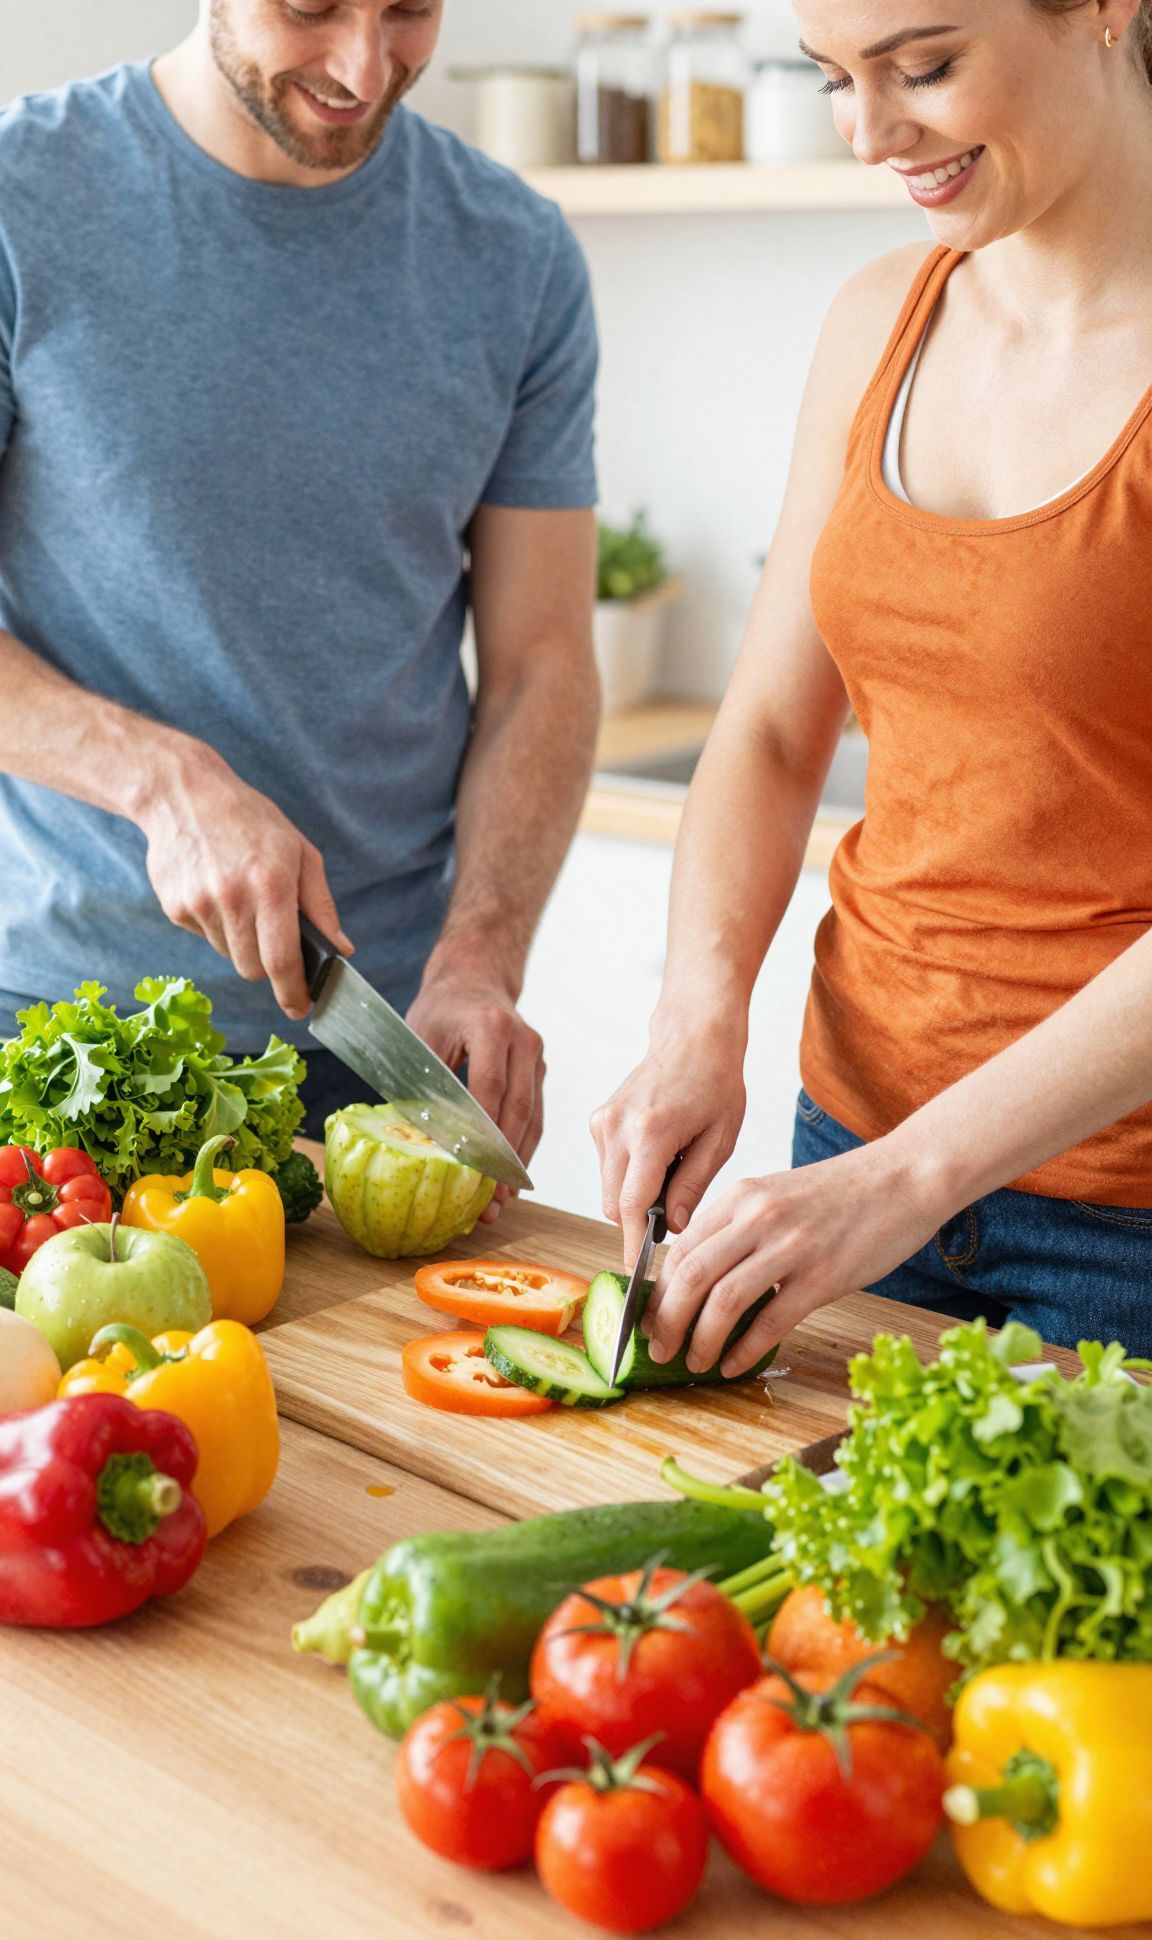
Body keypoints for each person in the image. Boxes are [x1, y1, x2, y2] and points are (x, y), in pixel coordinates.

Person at [593, 0, 1152, 1366]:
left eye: (925, 67)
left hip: (1118, 1231)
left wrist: (907, 1179)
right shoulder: (877, 320)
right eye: (835, 79)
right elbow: (776, 731)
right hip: (844, 1156)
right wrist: (697, 1019)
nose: (869, 132)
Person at [0, 0, 600, 1214]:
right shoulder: (23, 198)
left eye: (410, 12)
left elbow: (542, 664)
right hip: (52, 1048)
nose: (365, 66)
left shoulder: (516, 256)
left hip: (374, 1060)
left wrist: (481, 953)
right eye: (312, 7)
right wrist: (167, 784)